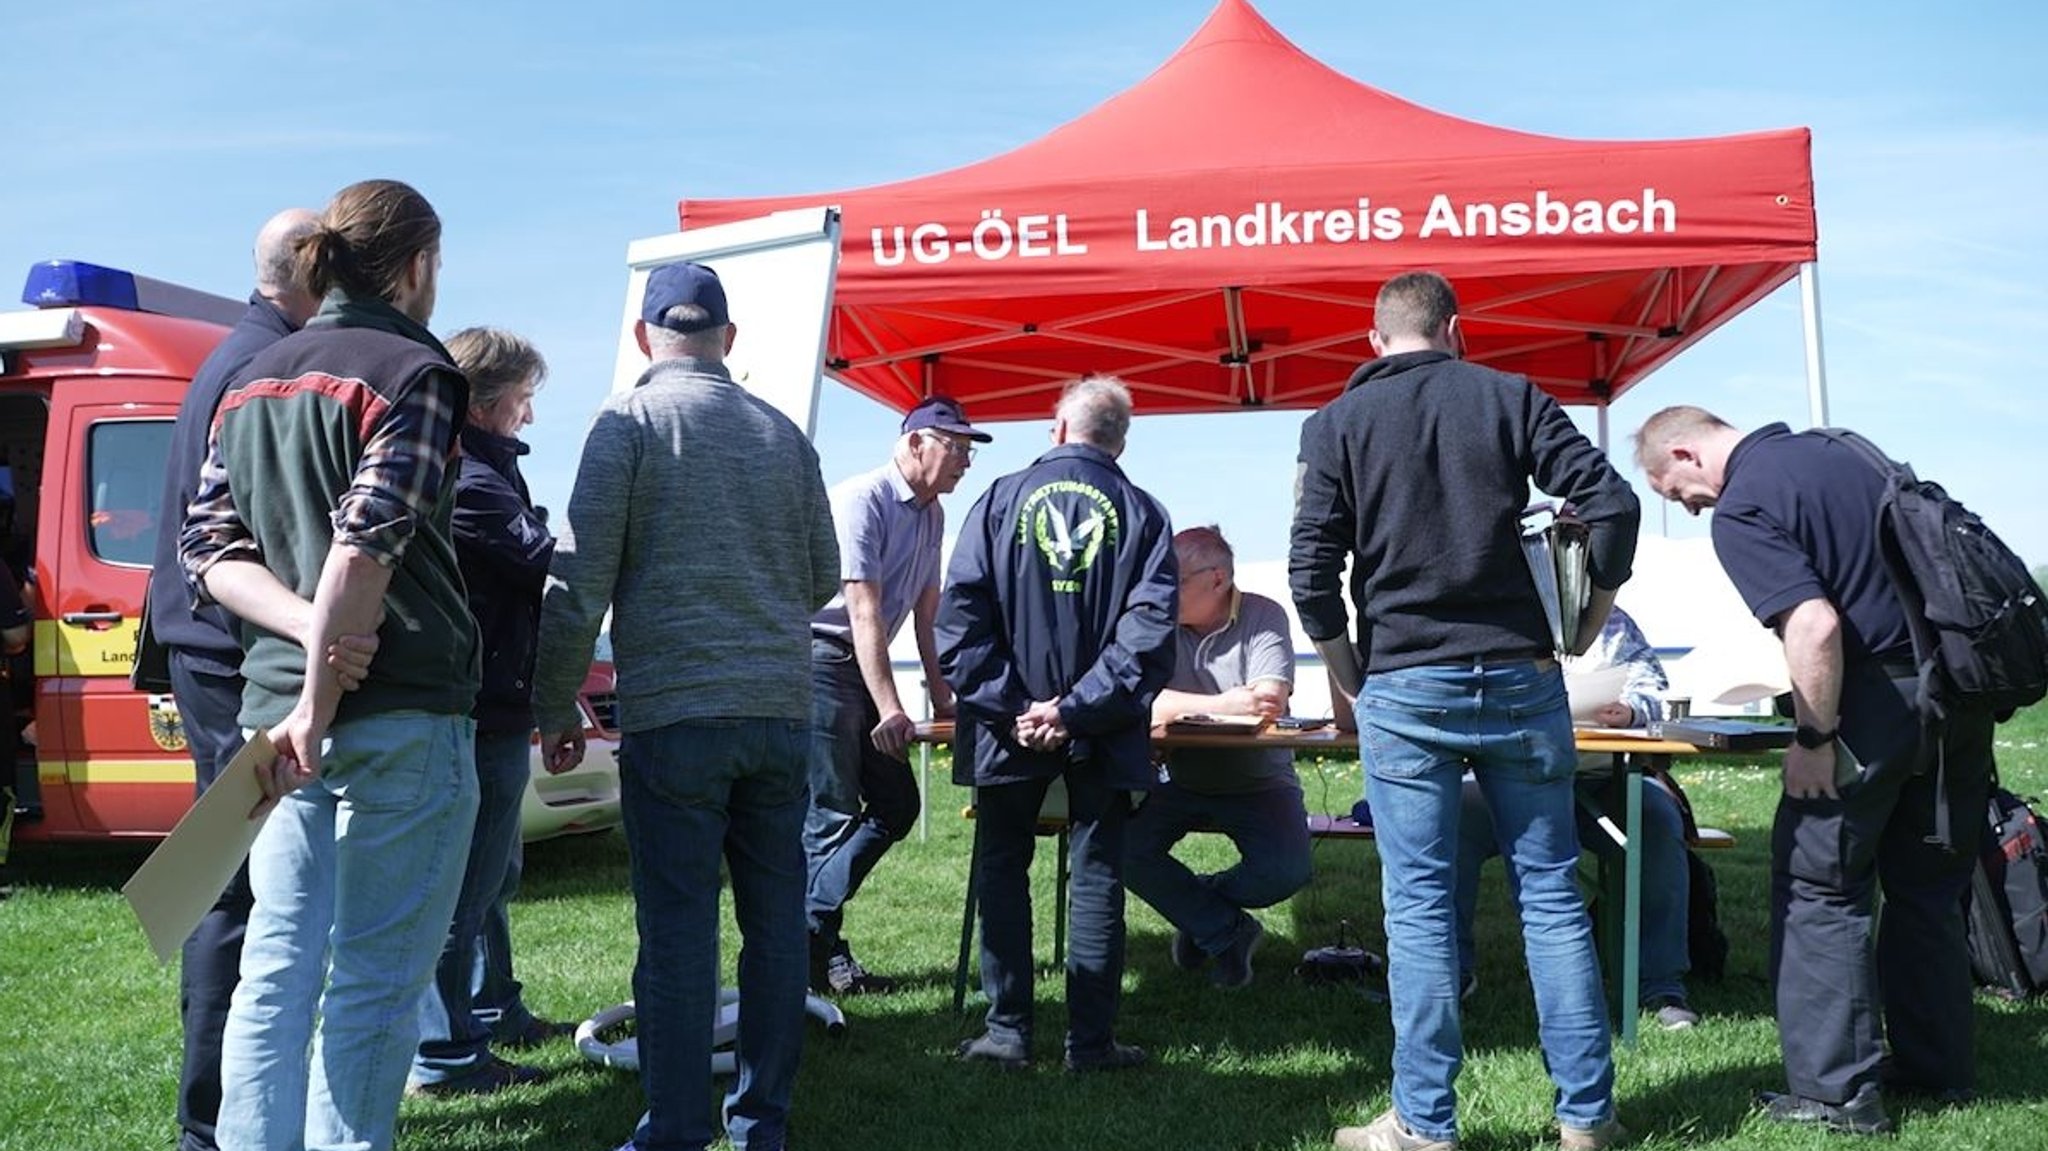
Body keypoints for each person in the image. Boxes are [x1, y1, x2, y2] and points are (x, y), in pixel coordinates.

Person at [1290, 270, 1637, 1151]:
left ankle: (1424, 1125)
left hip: (1404, 679)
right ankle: (1586, 1120)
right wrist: (1587, 617)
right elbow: (1613, 504)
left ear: (1375, 342)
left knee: (1419, 908)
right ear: (1456, 329)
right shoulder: (1510, 395)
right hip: (1521, 674)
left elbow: (1310, 574)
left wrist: (1349, 671)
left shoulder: (1335, 424)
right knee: (1553, 896)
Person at [180, 179, 482, 1151]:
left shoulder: (254, 374)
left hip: (273, 723)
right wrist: (324, 680)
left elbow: (210, 551)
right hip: (392, 715)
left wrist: (309, 642)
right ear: (417, 265)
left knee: (275, 966)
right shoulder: (414, 370)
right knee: (374, 980)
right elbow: (364, 543)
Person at [531, 261, 837, 1151]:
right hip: (779, 711)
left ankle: (673, 1129)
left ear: (643, 340)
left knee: (677, 930)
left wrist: (556, 704)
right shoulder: (783, 434)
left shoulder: (627, 421)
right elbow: (823, 573)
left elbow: (578, 578)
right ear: (729, 340)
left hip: (675, 710)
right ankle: (762, 1124)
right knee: (776, 925)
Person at [1634, 405, 1995, 1135]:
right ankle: (1938, 1067)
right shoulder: (1849, 450)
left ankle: (1838, 1092)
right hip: (1955, 694)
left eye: (1675, 492)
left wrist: (1812, 735)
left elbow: (1814, 623)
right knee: (1928, 888)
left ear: (1685, 452)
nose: (1690, 508)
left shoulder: (1746, 501)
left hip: (1868, 705)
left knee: (1818, 887)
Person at [143, 207, 372, 1151]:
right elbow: (238, 535)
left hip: (211, 642)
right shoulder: (259, 366)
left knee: (236, 883)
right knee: (236, 888)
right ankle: (211, 1117)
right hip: (234, 648)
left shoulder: (237, 351)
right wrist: (324, 633)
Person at [938, 374, 1177, 1073]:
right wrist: (1074, 712)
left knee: (1003, 866)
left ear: (1058, 429)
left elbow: (959, 623)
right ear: (1119, 440)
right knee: (1096, 872)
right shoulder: (1143, 512)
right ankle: (1090, 1044)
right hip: (1099, 729)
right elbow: (1148, 637)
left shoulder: (997, 500)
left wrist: (1018, 707)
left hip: (1006, 727)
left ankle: (1009, 1033)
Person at [407, 327, 567, 1094]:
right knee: (463, 887)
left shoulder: (483, 470)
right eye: (522, 401)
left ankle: (491, 1007)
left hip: (495, 704)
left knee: (493, 875)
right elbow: (543, 560)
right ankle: (442, 1054)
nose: (528, 418)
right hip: (479, 708)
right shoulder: (471, 480)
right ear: (482, 401)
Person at [804, 394, 989, 995]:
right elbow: (862, 612)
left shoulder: (931, 512)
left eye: (968, 450)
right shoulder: (864, 499)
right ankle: (812, 955)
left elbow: (928, 610)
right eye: (954, 447)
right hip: (824, 663)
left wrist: (942, 694)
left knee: (896, 806)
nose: (964, 460)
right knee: (830, 814)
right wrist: (889, 707)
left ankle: (804, 933)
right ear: (914, 443)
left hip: (865, 664)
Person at [1454, 606, 1700, 1030]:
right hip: (1502, 776)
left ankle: (1660, 984)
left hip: (1602, 777)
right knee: (1452, 821)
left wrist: (1630, 711)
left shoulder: (1613, 622)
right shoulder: (1487, 615)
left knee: (1656, 820)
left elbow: (1654, 691)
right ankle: (1448, 974)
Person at [1125, 524, 1310, 989]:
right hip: (1180, 780)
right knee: (1120, 849)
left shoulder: (1263, 615)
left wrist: (1177, 704)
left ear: (1218, 579)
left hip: (1260, 782)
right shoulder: (1156, 626)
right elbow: (1138, 701)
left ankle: (1200, 909)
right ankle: (1226, 931)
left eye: (1175, 579)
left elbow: (1269, 698)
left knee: (1286, 873)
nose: (1162, 590)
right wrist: (1224, 705)